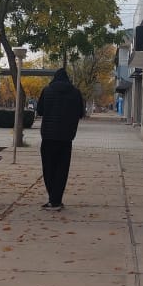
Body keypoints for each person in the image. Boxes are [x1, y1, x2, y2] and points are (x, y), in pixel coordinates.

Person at [35, 68, 85, 210]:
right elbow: (81, 113)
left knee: (48, 168)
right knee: (62, 169)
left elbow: (40, 111)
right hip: (66, 137)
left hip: (48, 136)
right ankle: (56, 199)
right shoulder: (76, 93)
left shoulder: (47, 91)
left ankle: (53, 198)